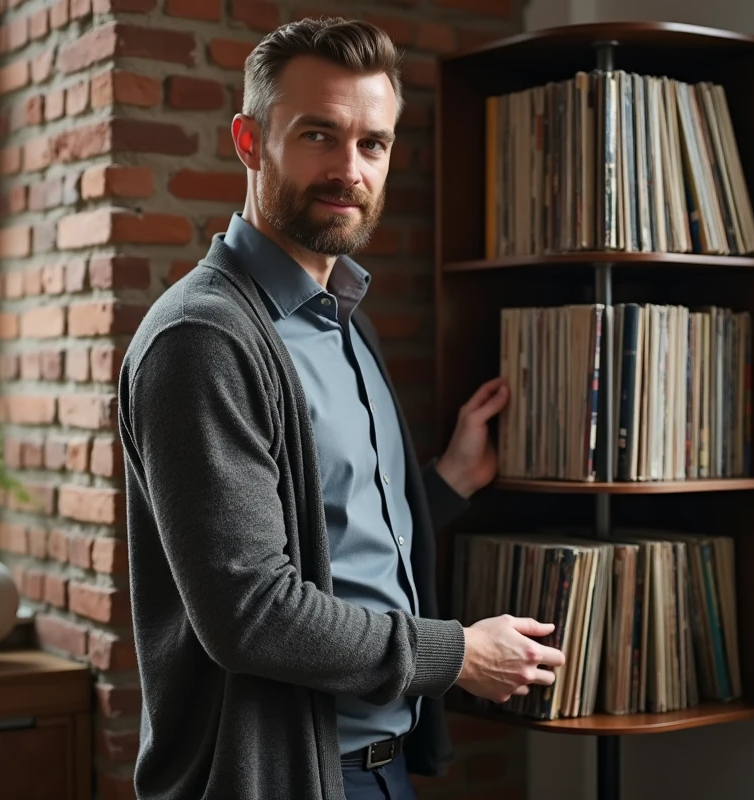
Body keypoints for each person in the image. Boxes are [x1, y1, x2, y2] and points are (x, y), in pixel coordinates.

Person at [117, 16, 565, 800]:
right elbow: (251, 610)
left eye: (372, 144)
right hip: (279, 778)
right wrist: (454, 654)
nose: (349, 169)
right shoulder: (203, 338)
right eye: (318, 135)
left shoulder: (342, 313)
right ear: (249, 141)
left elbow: (327, 530)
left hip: (383, 769)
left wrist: (448, 482)